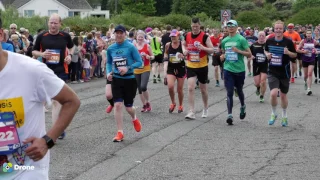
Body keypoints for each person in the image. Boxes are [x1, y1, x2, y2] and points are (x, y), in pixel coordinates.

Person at [0, 17, 80, 179]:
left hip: (26, 170)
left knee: (57, 103)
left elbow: (72, 101)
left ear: (1, 35)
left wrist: (48, 140)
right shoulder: (42, 38)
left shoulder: (29, 70)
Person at [32, 13, 74, 139]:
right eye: (51, 22)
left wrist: (69, 56)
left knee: (57, 101)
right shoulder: (42, 36)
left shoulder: (65, 36)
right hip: (45, 71)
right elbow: (33, 51)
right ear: (48, 23)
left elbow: (72, 48)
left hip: (61, 70)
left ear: (60, 24)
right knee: (42, 100)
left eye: (56, 23)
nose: (53, 25)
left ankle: (57, 130)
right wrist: (42, 54)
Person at [106, 25, 143, 142]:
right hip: (116, 79)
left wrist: (128, 68)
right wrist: (108, 73)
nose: (118, 35)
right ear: (114, 34)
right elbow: (108, 63)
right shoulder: (111, 48)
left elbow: (140, 62)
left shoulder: (131, 47)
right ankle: (120, 132)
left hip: (130, 80)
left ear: (124, 34)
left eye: (121, 33)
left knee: (128, 107)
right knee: (117, 105)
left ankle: (134, 117)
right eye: (116, 33)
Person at [265, 20, 297, 127]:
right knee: (273, 94)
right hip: (272, 71)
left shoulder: (288, 42)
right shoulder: (269, 40)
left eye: (280, 28)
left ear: (283, 29)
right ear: (274, 29)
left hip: (284, 72)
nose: (278, 30)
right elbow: (265, 50)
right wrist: (267, 55)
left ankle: (284, 115)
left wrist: (288, 53)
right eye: (276, 28)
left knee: (283, 95)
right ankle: (274, 113)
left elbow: (295, 55)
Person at [220, 20, 252, 125]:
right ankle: (229, 115)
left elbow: (249, 54)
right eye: (228, 25)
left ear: (236, 27)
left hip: (239, 70)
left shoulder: (241, 39)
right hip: (228, 69)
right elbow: (223, 53)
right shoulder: (224, 41)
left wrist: (238, 51)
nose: (230, 27)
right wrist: (222, 57)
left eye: (232, 25)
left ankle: (242, 105)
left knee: (239, 90)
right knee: (229, 92)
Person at [183, 17, 214, 119]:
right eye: (193, 26)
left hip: (202, 66)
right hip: (191, 65)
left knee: (203, 90)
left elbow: (212, 50)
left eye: (197, 26)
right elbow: (184, 45)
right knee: (190, 88)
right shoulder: (187, 35)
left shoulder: (205, 36)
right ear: (191, 26)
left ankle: (205, 108)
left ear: (200, 26)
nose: (195, 28)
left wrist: (203, 48)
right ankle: (191, 111)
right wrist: (185, 50)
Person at [163, 29, 186, 113]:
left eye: (174, 36)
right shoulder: (168, 45)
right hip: (171, 68)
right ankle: (173, 103)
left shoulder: (182, 44)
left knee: (179, 90)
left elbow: (187, 56)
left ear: (178, 36)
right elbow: (165, 54)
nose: (173, 38)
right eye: (171, 36)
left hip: (181, 68)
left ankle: (180, 105)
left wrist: (183, 56)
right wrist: (165, 69)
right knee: (170, 86)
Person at [249, 31, 268, 102]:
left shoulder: (267, 45)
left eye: (263, 35)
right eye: (260, 35)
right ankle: (258, 88)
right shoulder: (253, 45)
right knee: (257, 83)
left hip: (265, 65)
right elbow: (248, 53)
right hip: (256, 65)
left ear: (265, 36)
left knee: (263, 81)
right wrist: (251, 56)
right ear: (258, 36)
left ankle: (262, 95)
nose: (261, 37)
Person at [296, 29, 317, 95]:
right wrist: (303, 51)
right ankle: (305, 81)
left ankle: (309, 89)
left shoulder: (314, 41)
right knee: (305, 75)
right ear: (306, 34)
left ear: (311, 34)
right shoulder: (303, 41)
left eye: (310, 33)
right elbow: (297, 49)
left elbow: (316, 49)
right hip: (304, 59)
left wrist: (315, 51)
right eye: (307, 33)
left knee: (310, 73)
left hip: (312, 59)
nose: (308, 34)